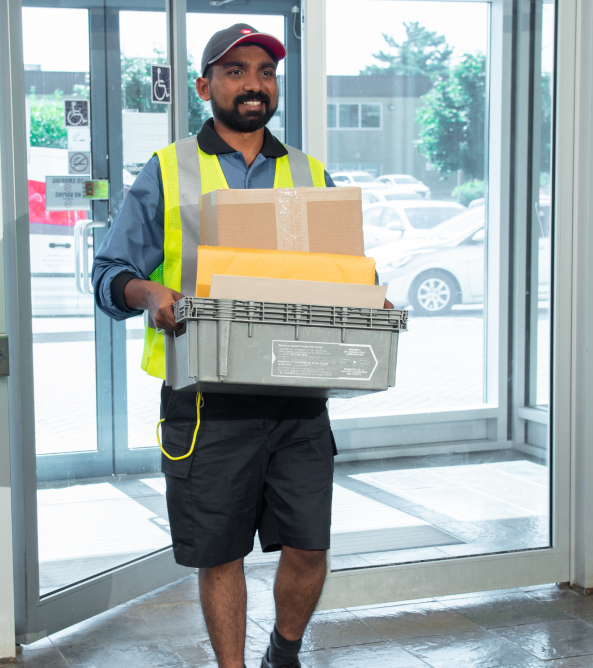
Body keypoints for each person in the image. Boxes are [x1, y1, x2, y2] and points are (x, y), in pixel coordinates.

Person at [92, 24, 391, 668]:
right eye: (235, 71)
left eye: (264, 70)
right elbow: (110, 273)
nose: (254, 82)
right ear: (205, 87)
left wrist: (370, 298)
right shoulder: (169, 170)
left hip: (298, 396)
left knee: (310, 545)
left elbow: (339, 271)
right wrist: (151, 296)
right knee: (220, 550)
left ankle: (284, 651)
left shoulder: (308, 172)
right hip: (205, 398)